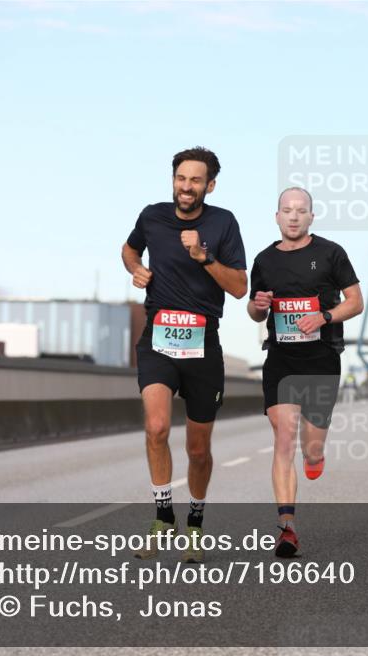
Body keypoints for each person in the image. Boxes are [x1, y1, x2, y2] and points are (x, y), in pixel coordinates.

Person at [121, 146, 247, 563]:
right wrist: (135, 268)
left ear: (209, 185)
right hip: (157, 337)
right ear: (172, 180)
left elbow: (240, 287)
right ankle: (162, 516)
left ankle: (194, 522)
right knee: (156, 427)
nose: (186, 187)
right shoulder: (152, 216)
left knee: (198, 449)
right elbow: (128, 249)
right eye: (181, 178)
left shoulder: (223, 223)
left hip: (202, 345)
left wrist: (204, 257)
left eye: (195, 180)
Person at [247, 187, 363, 558]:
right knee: (284, 437)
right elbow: (254, 311)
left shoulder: (331, 253)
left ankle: (315, 458)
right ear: (277, 217)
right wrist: (258, 305)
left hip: (321, 360)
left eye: (301, 210)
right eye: (286, 210)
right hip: (281, 360)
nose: (293, 216)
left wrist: (325, 316)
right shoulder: (264, 260)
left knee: (310, 448)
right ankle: (287, 529)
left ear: (311, 216)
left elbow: (356, 302)